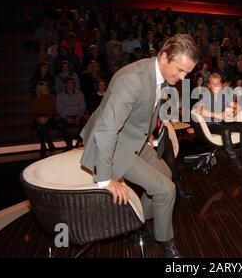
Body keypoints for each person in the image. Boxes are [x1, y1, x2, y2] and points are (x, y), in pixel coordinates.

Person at [80, 34, 199, 258]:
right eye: (180, 70)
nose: (182, 77)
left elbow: (145, 109)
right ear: (164, 57)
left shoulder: (159, 74)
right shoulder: (132, 79)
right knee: (166, 190)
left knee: (165, 173)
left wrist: (146, 137)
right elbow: (107, 129)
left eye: (187, 73)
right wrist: (105, 179)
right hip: (111, 143)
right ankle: (166, 243)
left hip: (132, 138)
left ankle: (135, 223)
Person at [196, 73, 242, 176]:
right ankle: (235, 162)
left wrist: (232, 113)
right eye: (213, 84)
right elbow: (200, 110)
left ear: (221, 85)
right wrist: (218, 115)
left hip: (222, 123)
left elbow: (238, 107)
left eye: (218, 83)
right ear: (209, 85)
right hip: (210, 125)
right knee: (226, 130)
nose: (216, 86)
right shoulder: (205, 95)